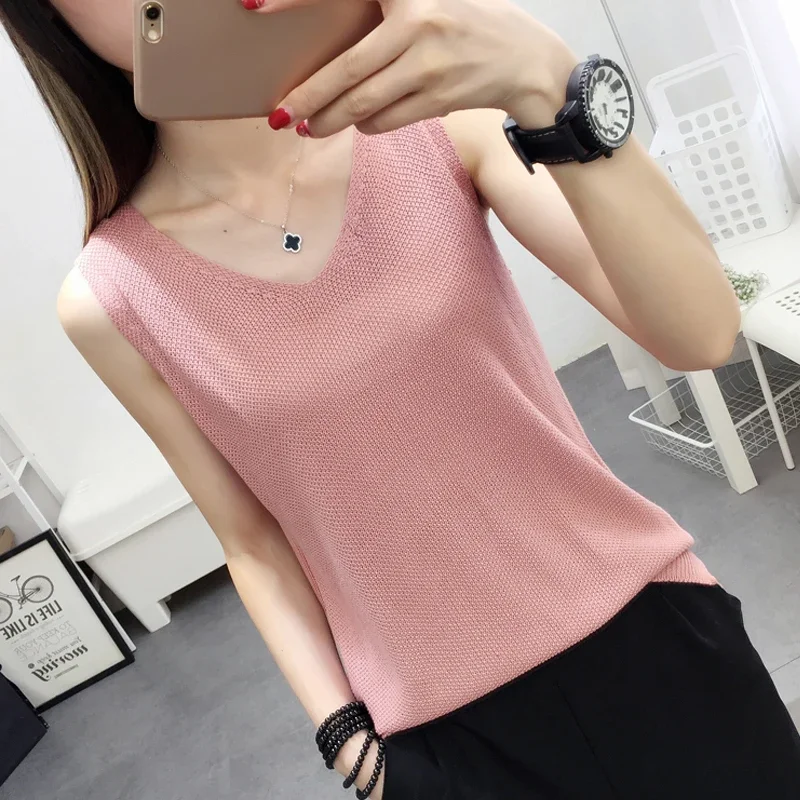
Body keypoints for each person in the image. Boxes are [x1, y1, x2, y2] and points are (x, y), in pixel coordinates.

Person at [2, 0, 799, 797]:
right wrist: (353, 749)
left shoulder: (439, 124)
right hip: (443, 742)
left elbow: (701, 332)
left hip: (648, 632)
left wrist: (546, 76)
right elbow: (251, 541)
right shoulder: (112, 297)